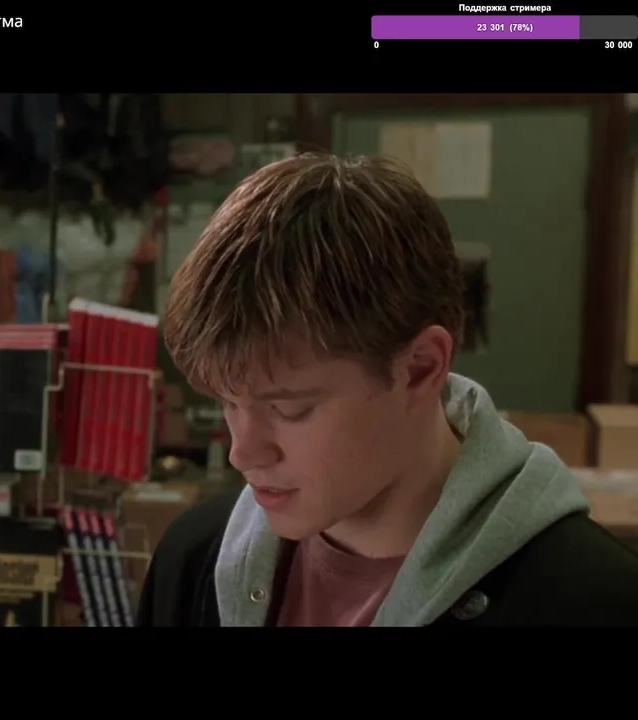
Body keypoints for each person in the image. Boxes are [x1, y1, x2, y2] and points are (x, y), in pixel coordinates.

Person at [138, 153, 638, 627]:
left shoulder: (596, 602)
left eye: (289, 409)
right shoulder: (192, 563)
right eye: (228, 402)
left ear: (420, 369)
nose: (243, 454)